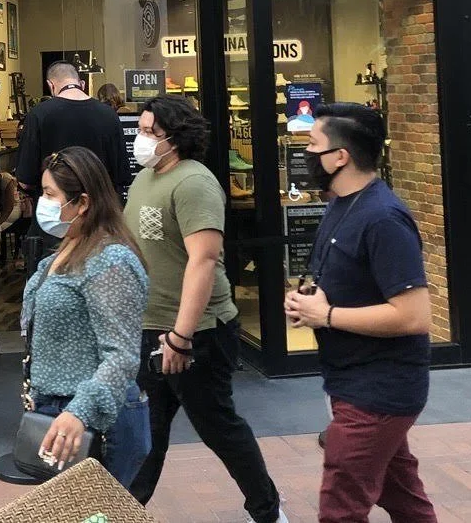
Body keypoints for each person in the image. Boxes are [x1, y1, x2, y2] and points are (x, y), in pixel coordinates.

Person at [123, 95, 287, 523]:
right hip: (149, 326)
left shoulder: (194, 183)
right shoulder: (145, 178)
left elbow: (204, 260)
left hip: (196, 333)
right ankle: (122, 511)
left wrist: (181, 336)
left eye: (147, 130)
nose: (139, 138)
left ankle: (268, 511)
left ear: (173, 138)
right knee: (145, 432)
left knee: (218, 427)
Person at [283, 103, 437, 523]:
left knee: (340, 507)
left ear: (340, 156)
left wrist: (327, 316)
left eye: (313, 145)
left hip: (379, 391)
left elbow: (413, 316)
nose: (306, 154)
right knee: (403, 497)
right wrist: (307, 302)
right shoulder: (341, 205)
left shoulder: (383, 219)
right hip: (353, 381)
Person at [22, 146, 150, 487]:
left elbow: (121, 357)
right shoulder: (68, 246)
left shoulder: (111, 261)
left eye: (51, 195)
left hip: (92, 423)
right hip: (59, 414)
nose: (43, 203)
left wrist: (78, 413)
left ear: (82, 203)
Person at [16, 61, 130, 274]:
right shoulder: (108, 116)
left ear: (51, 85)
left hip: (54, 224)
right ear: (82, 84)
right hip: (100, 223)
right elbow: (121, 174)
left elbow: (25, 178)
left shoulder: (39, 115)